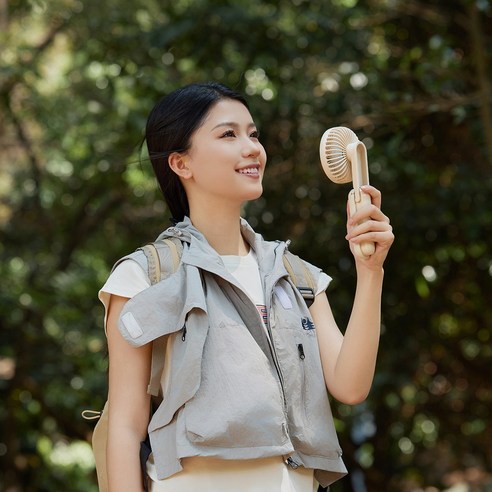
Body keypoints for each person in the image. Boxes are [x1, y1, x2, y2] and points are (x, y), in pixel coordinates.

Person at [99, 82, 394, 492]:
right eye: (228, 134)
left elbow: (351, 386)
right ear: (181, 164)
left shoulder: (297, 277)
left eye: (253, 134)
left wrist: (371, 270)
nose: (253, 147)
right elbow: (126, 428)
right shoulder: (144, 277)